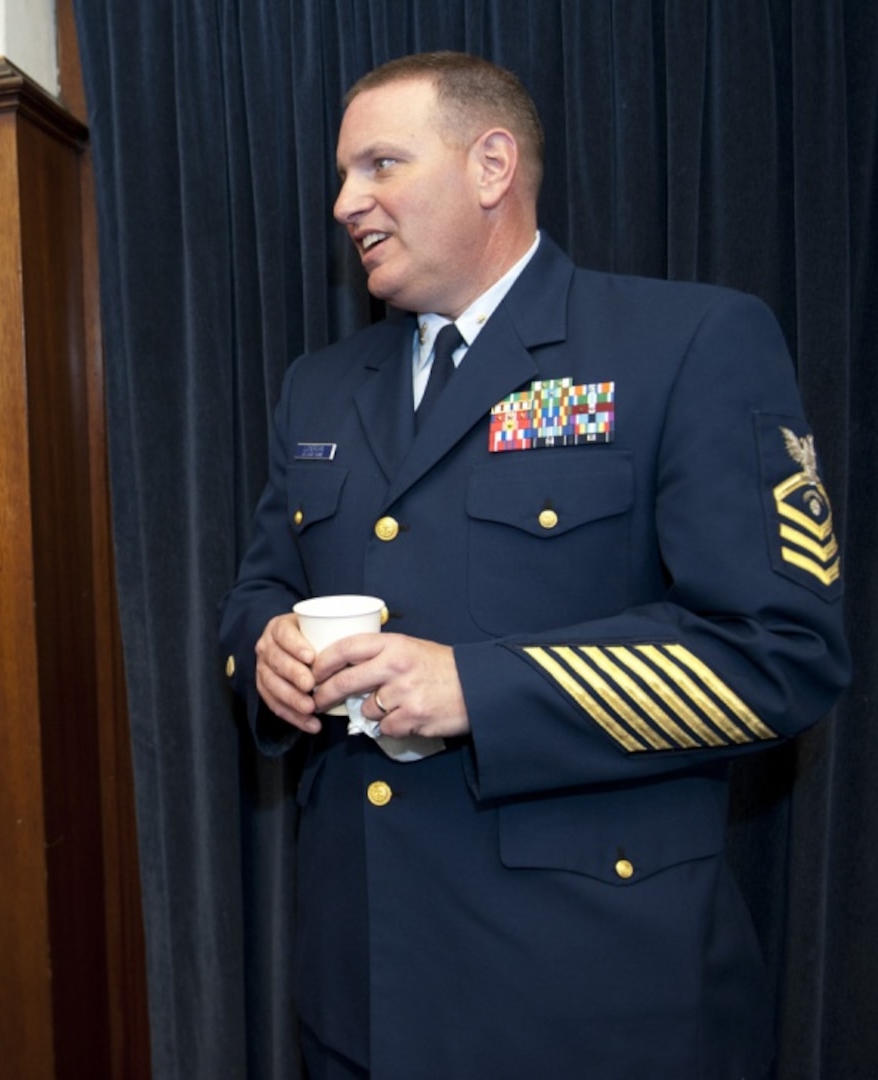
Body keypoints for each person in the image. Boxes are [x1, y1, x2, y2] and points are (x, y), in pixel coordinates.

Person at [218, 52, 848, 1079]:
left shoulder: (685, 342)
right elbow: (259, 588)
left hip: (590, 996)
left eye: (380, 164)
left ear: (491, 165)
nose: (345, 202)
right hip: (362, 989)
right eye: (341, 174)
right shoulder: (320, 388)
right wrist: (267, 649)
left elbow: (780, 656)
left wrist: (477, 686)